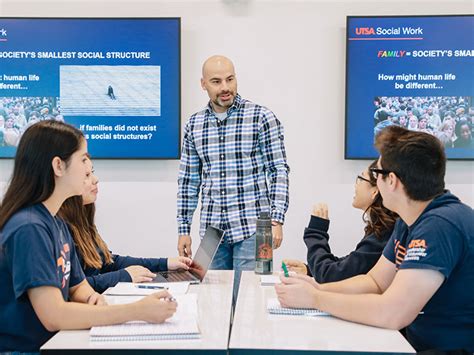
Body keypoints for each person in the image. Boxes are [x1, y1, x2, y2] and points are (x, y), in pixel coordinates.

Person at [275, 126, 474, 352]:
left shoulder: (440, 225)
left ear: (392, 181)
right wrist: (320, 289)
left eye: (376, 174)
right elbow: (375, 283)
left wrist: (315, 300)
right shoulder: (409, 221)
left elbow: (393, 312)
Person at [0, 121, 177, 353]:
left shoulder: (57, 223)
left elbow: (78, 287)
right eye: (83, 158)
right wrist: (137, 311)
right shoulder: (29, 227)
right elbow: (53, 315)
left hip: (54, 343)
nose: (89, 167)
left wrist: (92, 298)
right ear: (58, 166)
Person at [177, 55, 289, 298]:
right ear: (203, 84)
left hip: (258, 230)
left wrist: (277, 220)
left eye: (230, 79)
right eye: (216, 81)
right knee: (210, 299)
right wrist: (183, 228)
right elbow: (188, 181)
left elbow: (278, 169)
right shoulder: (194, 125)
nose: (225, 87)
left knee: (254, 300)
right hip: (211, 232)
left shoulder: (262, 117)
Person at [59, 169, 192, 293]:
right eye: (87, 175)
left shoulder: (82, 222)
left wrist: (165, 263)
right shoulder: (60, 229)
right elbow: (72, 288)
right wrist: (124, 276)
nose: (96, 179)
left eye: (92, 172)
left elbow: (109, 262)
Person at [283, 160, 398, 282]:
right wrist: (309, 270)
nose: (355, 185)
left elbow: (329, 275)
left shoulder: (383, 235)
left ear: (375, 191)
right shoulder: (382, 230)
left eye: (360, 178)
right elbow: (348, 266)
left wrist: (316, 233)